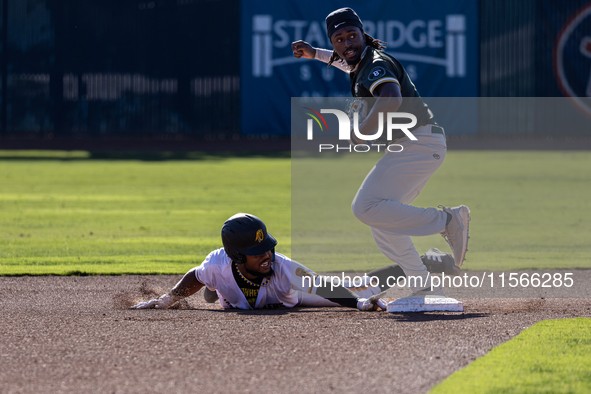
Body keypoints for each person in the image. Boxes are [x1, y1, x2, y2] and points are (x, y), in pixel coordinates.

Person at [291, 8, 470, 298]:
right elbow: (343, 63)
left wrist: (361, 131)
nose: (346, 42)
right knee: (382, 218)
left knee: (365, 207)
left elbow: (390, 97)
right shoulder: (359, 63)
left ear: (364, 35)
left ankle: (447, 221)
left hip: (419, 144)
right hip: (419, 145)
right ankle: (420, 282)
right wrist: (315, 54)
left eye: (352, 35)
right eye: (339, 38)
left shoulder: (375, 62)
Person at [131, 213, 458, 311]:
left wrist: (358, 304)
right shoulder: (217, 265)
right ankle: (218, 293)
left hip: (292, 296)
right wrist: (165, 300)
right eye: (257, 253)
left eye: (268, 248)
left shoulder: (282, 267)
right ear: (235, 257)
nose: (267, 255)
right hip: (232, 288)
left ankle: (427, 261)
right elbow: (196, 274)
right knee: (211, 285)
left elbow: (323, 285)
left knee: (360, 286)